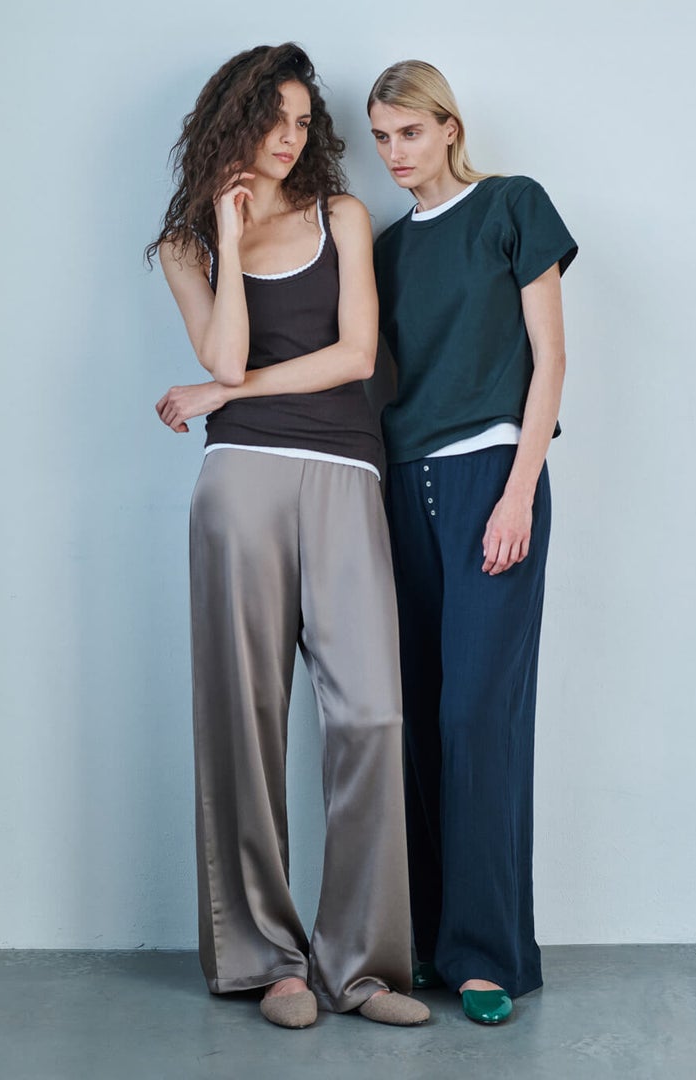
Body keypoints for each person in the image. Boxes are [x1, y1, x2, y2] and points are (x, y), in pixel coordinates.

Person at [147, 43, 427, 1029]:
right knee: (245, 721)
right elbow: (219, 349)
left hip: (345, 474)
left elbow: (355, 356)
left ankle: (359, 965)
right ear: (234, 119)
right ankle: (273, 962)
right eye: (276, 118)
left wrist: (229, 392)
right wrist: (225, 226)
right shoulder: (189, 243)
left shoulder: (341, 215)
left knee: (370, 717)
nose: (292, 137)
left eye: (306, 122)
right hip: (240, 486)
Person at [366, 59, 578, 1026]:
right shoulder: (383, 249)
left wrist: (518, 491)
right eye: (379, 137)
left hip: (493, 475)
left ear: (449, 126)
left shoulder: (512, 206)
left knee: (476, 719)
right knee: (412, 717)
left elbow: (551, 359)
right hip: (401, 489)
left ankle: (489, 954)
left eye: (408, 133)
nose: (393, 154)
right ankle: (426, 943)